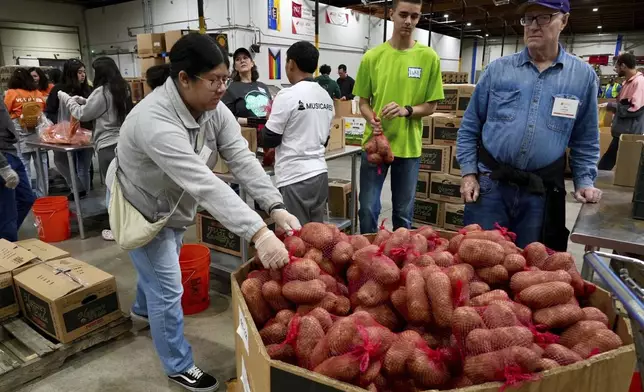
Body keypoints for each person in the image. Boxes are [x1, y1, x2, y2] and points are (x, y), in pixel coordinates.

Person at [105, 34, 299, 392]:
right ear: (183, 79)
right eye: (214, 80)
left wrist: (275, 206)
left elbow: (241, 158)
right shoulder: (155, 120)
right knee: (168, 288)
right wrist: (259, 233)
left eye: (226, 78)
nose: (222, 88)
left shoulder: (213, 108)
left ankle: (141, 313)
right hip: (142, 205)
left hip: (172, 205)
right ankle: (177, 364)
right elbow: (205, 184)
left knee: (158, 268)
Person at [457, 0, 602, 250]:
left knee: (531, 269)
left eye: (543, 17)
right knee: (479, 261)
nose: (533, 26)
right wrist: (469, 173)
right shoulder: (497, 71)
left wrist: (584, 181)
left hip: (540, 192)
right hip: (491, 186)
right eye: (528, 19)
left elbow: (585, 138)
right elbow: (470, 126)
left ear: (564, 21)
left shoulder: (582, 77)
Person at [353, 0, 444, 234]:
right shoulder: (372, 57)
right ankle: (367, 260)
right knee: (367, 210)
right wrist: (370, 118)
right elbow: (363, 102)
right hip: (375, 147)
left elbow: (432, 105)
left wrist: (407, 110)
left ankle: (401, 262)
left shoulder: (429, 57)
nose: (408, 21)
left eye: (414, 16)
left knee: (403, 213)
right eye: (403, 15)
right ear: (391, 14)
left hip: (408, 147)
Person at [58, 57, 133, 241]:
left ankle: (116, 230)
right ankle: (128, 225)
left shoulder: (102, 90)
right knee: (124, 187)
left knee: (111, 189)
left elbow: (82, 114)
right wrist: (84, 100)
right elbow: (106, 108)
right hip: (124, 142)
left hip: (107, 145)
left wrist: (67, 99)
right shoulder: (122, 88)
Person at [260, 41, 334, 224]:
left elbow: (269, 139)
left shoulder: (287, 95)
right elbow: (325, 140)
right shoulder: (325, 97)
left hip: (294, 177)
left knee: (296, 239)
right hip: (320, 174)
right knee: (317, 237)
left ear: (291, 64)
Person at [46, 59, 94, 200]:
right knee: (61, 161)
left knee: (83, 167)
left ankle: (84, 196)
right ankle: (78, 189)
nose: (83, 75)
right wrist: (62, 126)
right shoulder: (58, 90)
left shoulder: (87, 89)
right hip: (64, 135)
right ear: (71, 73)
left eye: (84, 72)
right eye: (79, 72)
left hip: (86, 134)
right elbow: (50, 110)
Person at [3, 68, 48, 197]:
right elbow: (43, 109)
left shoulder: (11, 93)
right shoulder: (37, 93)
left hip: (20, 131)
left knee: (24, 164)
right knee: (42, 164)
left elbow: (5, 111)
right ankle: (43, 194)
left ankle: (27, 195)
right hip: (38, 130)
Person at [598, 52, 644, 170]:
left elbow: (635, 109)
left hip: (629, 132)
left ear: (623, 66)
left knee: (617, 161)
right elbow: (622, 104)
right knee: (611, 158)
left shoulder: (639, 83)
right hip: (622, 130)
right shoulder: (626, 83)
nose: (616, 69)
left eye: (617, 66)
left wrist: (611, 106)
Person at [0, 102, 36, 241]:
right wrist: (3, 166)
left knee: (26, 198)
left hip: (11, 152)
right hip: (2, 158)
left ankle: (5, 239)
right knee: (7, 213)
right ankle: (7, 250)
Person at [222, 47, 272, 125]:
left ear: (252, 63)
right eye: (238, 59)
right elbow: (225, 118)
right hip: (247, 133)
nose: (242, 61)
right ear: (235, 67)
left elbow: (271, 109)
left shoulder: (263, 86)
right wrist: (252, 122)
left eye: (245, 58)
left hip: (267, 131)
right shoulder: (231, 89)